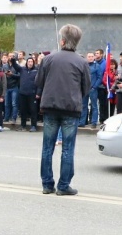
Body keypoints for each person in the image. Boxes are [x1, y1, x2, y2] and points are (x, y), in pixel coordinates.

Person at [37, 24, 90, 196]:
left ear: (62, 40)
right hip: (70, 109)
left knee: (47, 148)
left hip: (50, 107)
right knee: (67, 149)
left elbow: (39, 82)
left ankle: (47, 184)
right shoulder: (82, 62)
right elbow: (86, 87)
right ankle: (63, 185)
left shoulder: (48, 59)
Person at [18, 56, 39, 131]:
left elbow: (39, 83)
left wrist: (38, 93)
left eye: (31, 62)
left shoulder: (36, 71)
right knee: (23, 110)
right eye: (29, 62)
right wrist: (13, 60)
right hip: (22, 93)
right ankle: (22, 125)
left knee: (33, 110)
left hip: (32, 93)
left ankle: (33, 126)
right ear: (26, 63)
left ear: (33, 63)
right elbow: (16, 66)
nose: (30, 63)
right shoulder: (22, 69)